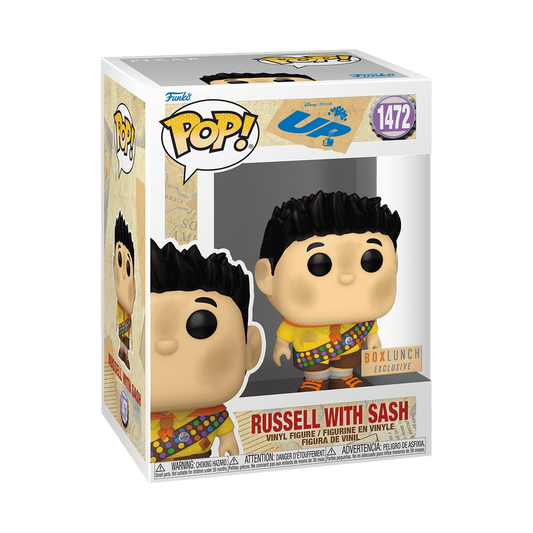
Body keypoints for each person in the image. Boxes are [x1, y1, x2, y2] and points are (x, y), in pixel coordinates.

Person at [255, 191, 402, 392]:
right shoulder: (295, 323)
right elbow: (286, 332)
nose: (347, 278)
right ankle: (315, 380)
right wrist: (281, 344)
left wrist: (374, 338)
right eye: (319, 264)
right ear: (267, 278)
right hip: (310, 346)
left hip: (350, 343)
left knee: (346, 361)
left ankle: (344, 377)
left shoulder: (362, 321)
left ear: (395, 265)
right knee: (316, 368)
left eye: (371, 261)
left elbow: (370, 328)